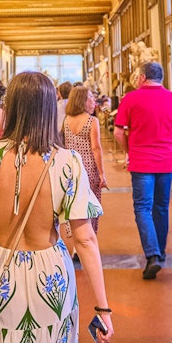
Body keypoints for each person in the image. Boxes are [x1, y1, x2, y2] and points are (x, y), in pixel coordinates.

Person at [0, 71, 113, 343]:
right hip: (51, 277)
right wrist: (103, 309)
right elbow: (85, 241)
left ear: (11, 106)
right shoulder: (67, 163)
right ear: (48, 108)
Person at [113, 61, 172, 280]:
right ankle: (160, 252)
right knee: (161, 207)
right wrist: (170, 146)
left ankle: (152, 254)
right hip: (166, 161)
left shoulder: (131, 98)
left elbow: (118, 132)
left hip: (141, 161)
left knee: (143, 208)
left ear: (142, 77)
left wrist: (129, 150)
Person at [62, 85, 107, 238]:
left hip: (71, 168)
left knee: (74, 203)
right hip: (88, 168)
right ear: (82, 100)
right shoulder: (91, 121)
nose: (94, 100)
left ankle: (76, 239)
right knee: (91, 203)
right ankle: (88, 237)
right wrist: (102, 173)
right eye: (90, 97)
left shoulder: (66, 121)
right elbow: (96, 148)